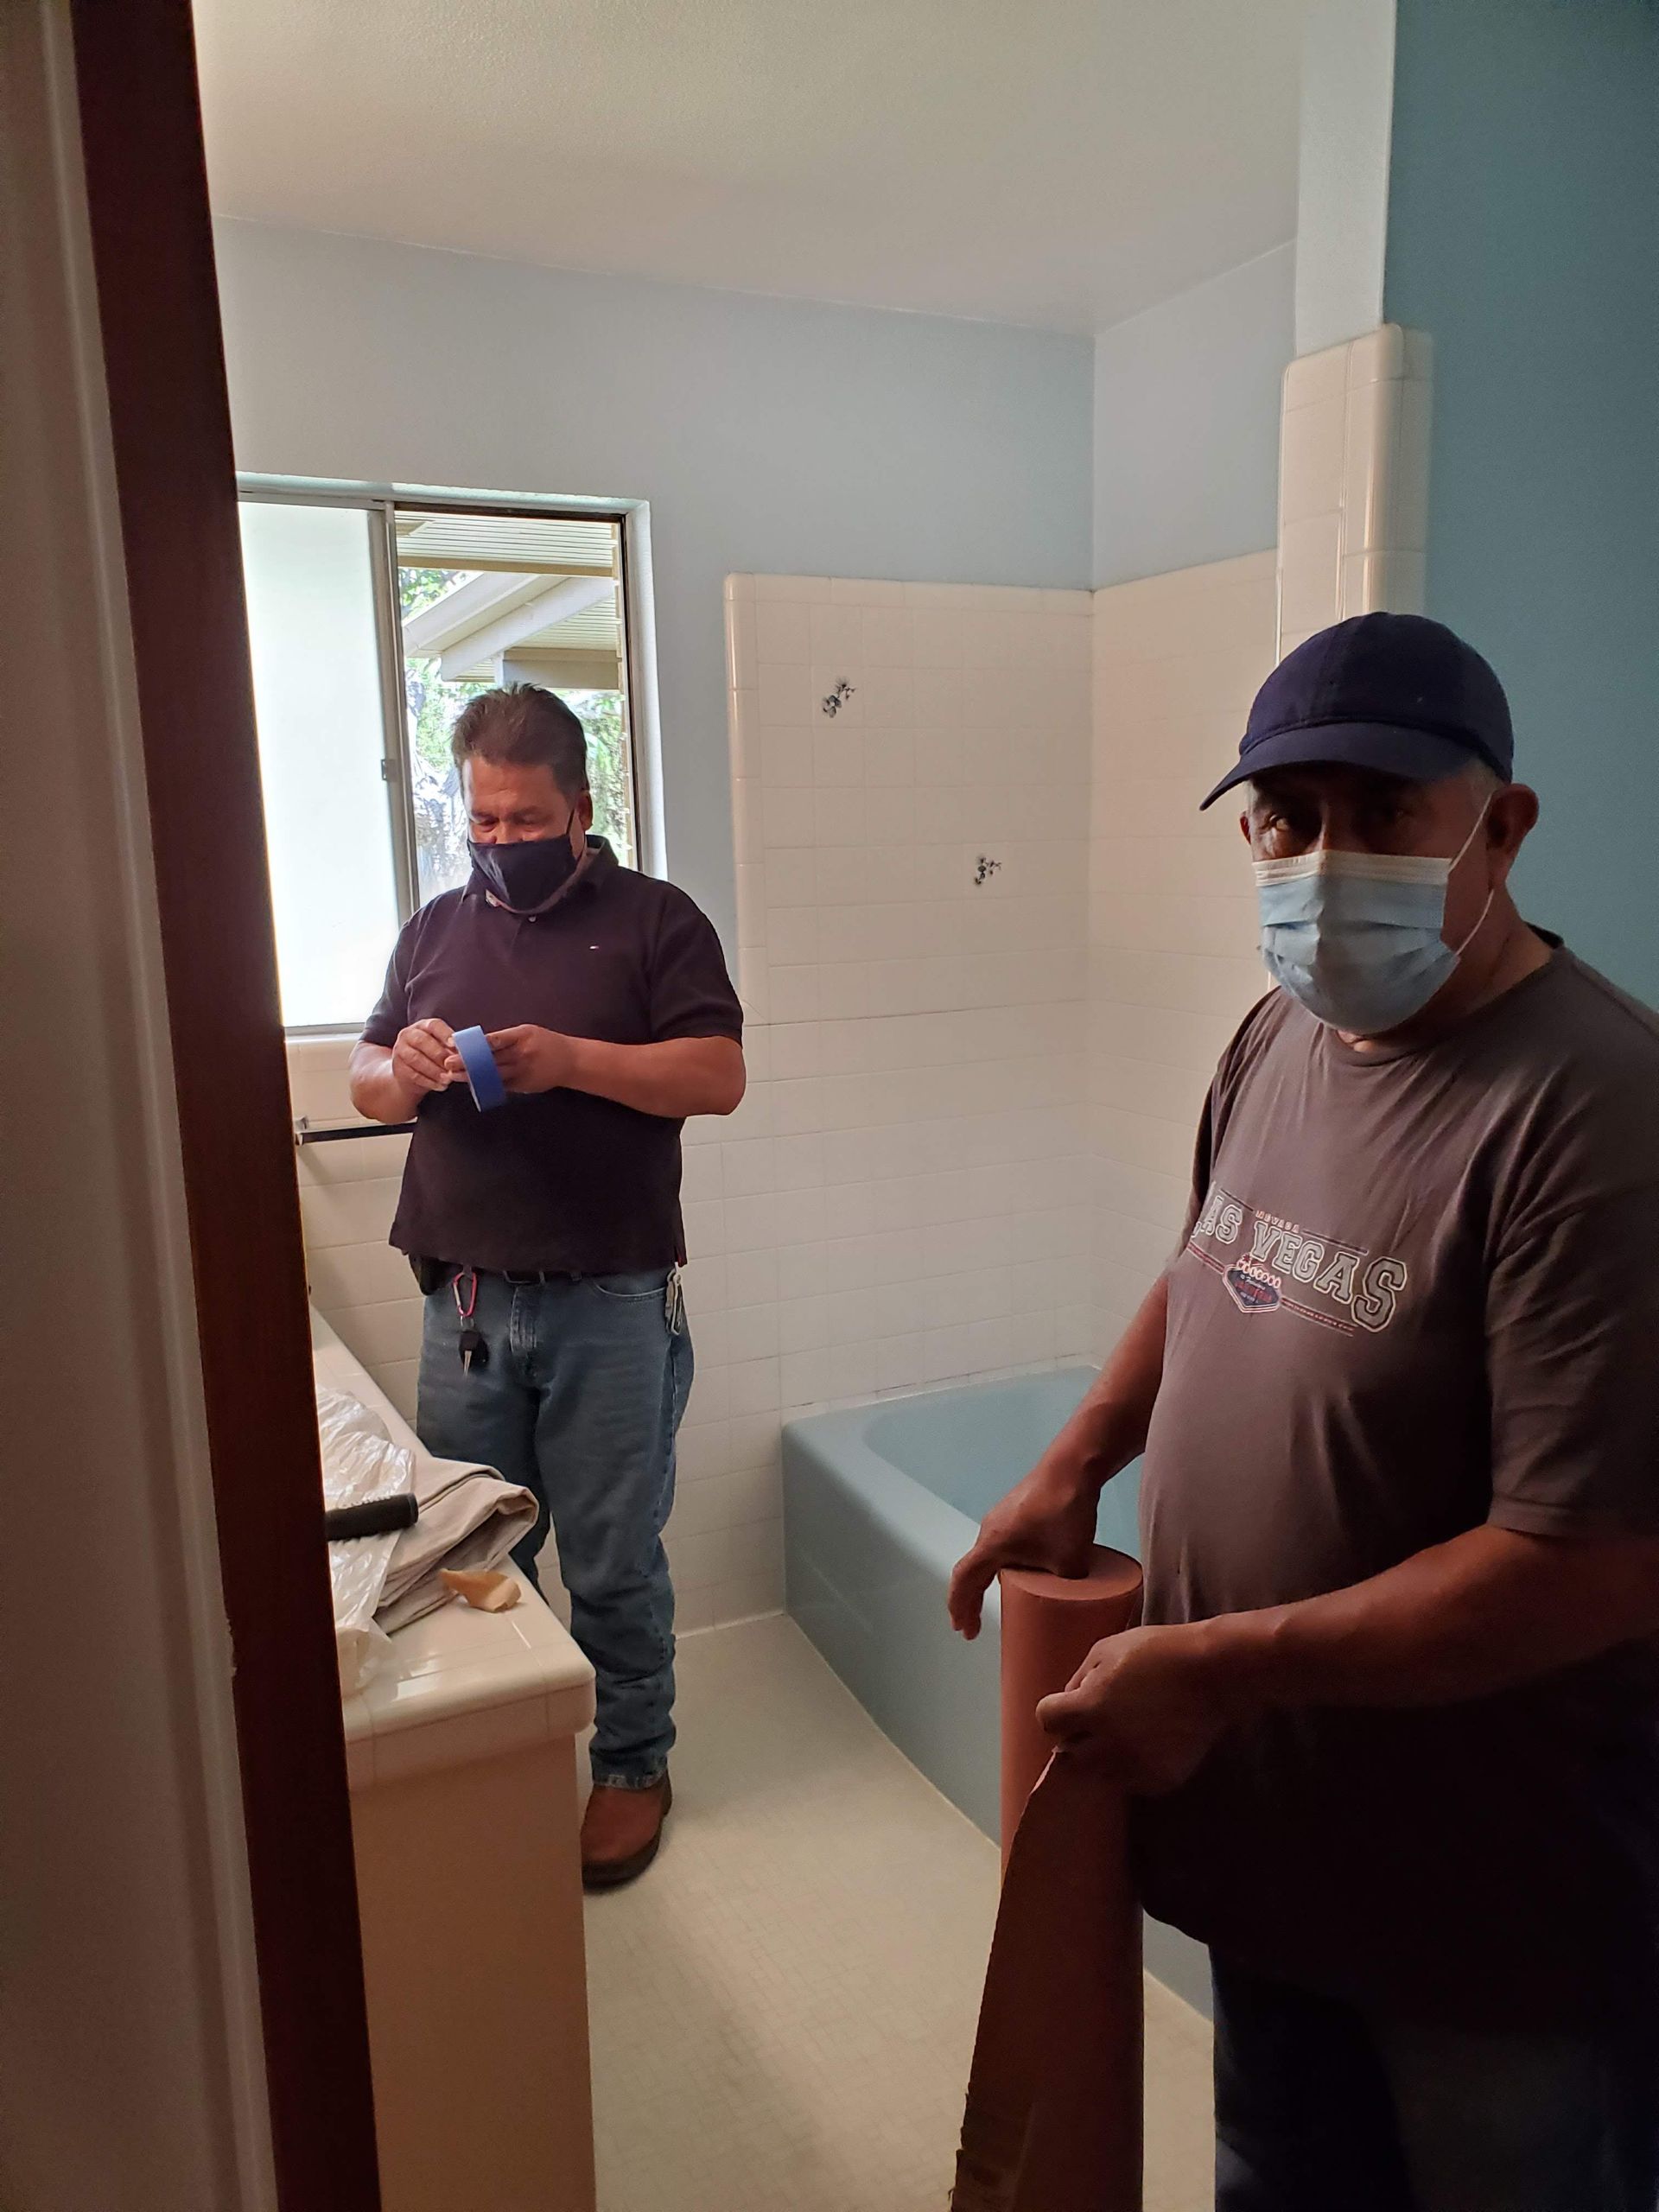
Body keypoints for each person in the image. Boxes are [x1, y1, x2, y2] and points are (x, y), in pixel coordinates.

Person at [950, 614, 1659, 2211]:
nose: (1323, 861)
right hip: (1276, 1840)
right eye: (1287, 818)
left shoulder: (1594, 1115)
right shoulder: (1284, 1030)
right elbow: (1215, 1261)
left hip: (1487, 1909)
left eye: (1383, 813)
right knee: (1279, 2177)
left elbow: (1593, 1563)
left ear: (1504, 823)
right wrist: (1078, 1458)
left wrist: (1219, 1664)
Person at [351, 684, 745, 1889]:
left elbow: (719, 1075)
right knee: (475, 1558)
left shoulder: (656, 921)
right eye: (485, 821)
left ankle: (632, 1766)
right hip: (462, 1302)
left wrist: (570, 1059)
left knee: (614, 1558)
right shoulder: (431, 929)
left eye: (526, 820)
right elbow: (367, 1077)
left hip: (612, 1298)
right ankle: (512, 1767)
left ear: (581, 806)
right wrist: (401, 1067)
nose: (502, 843)